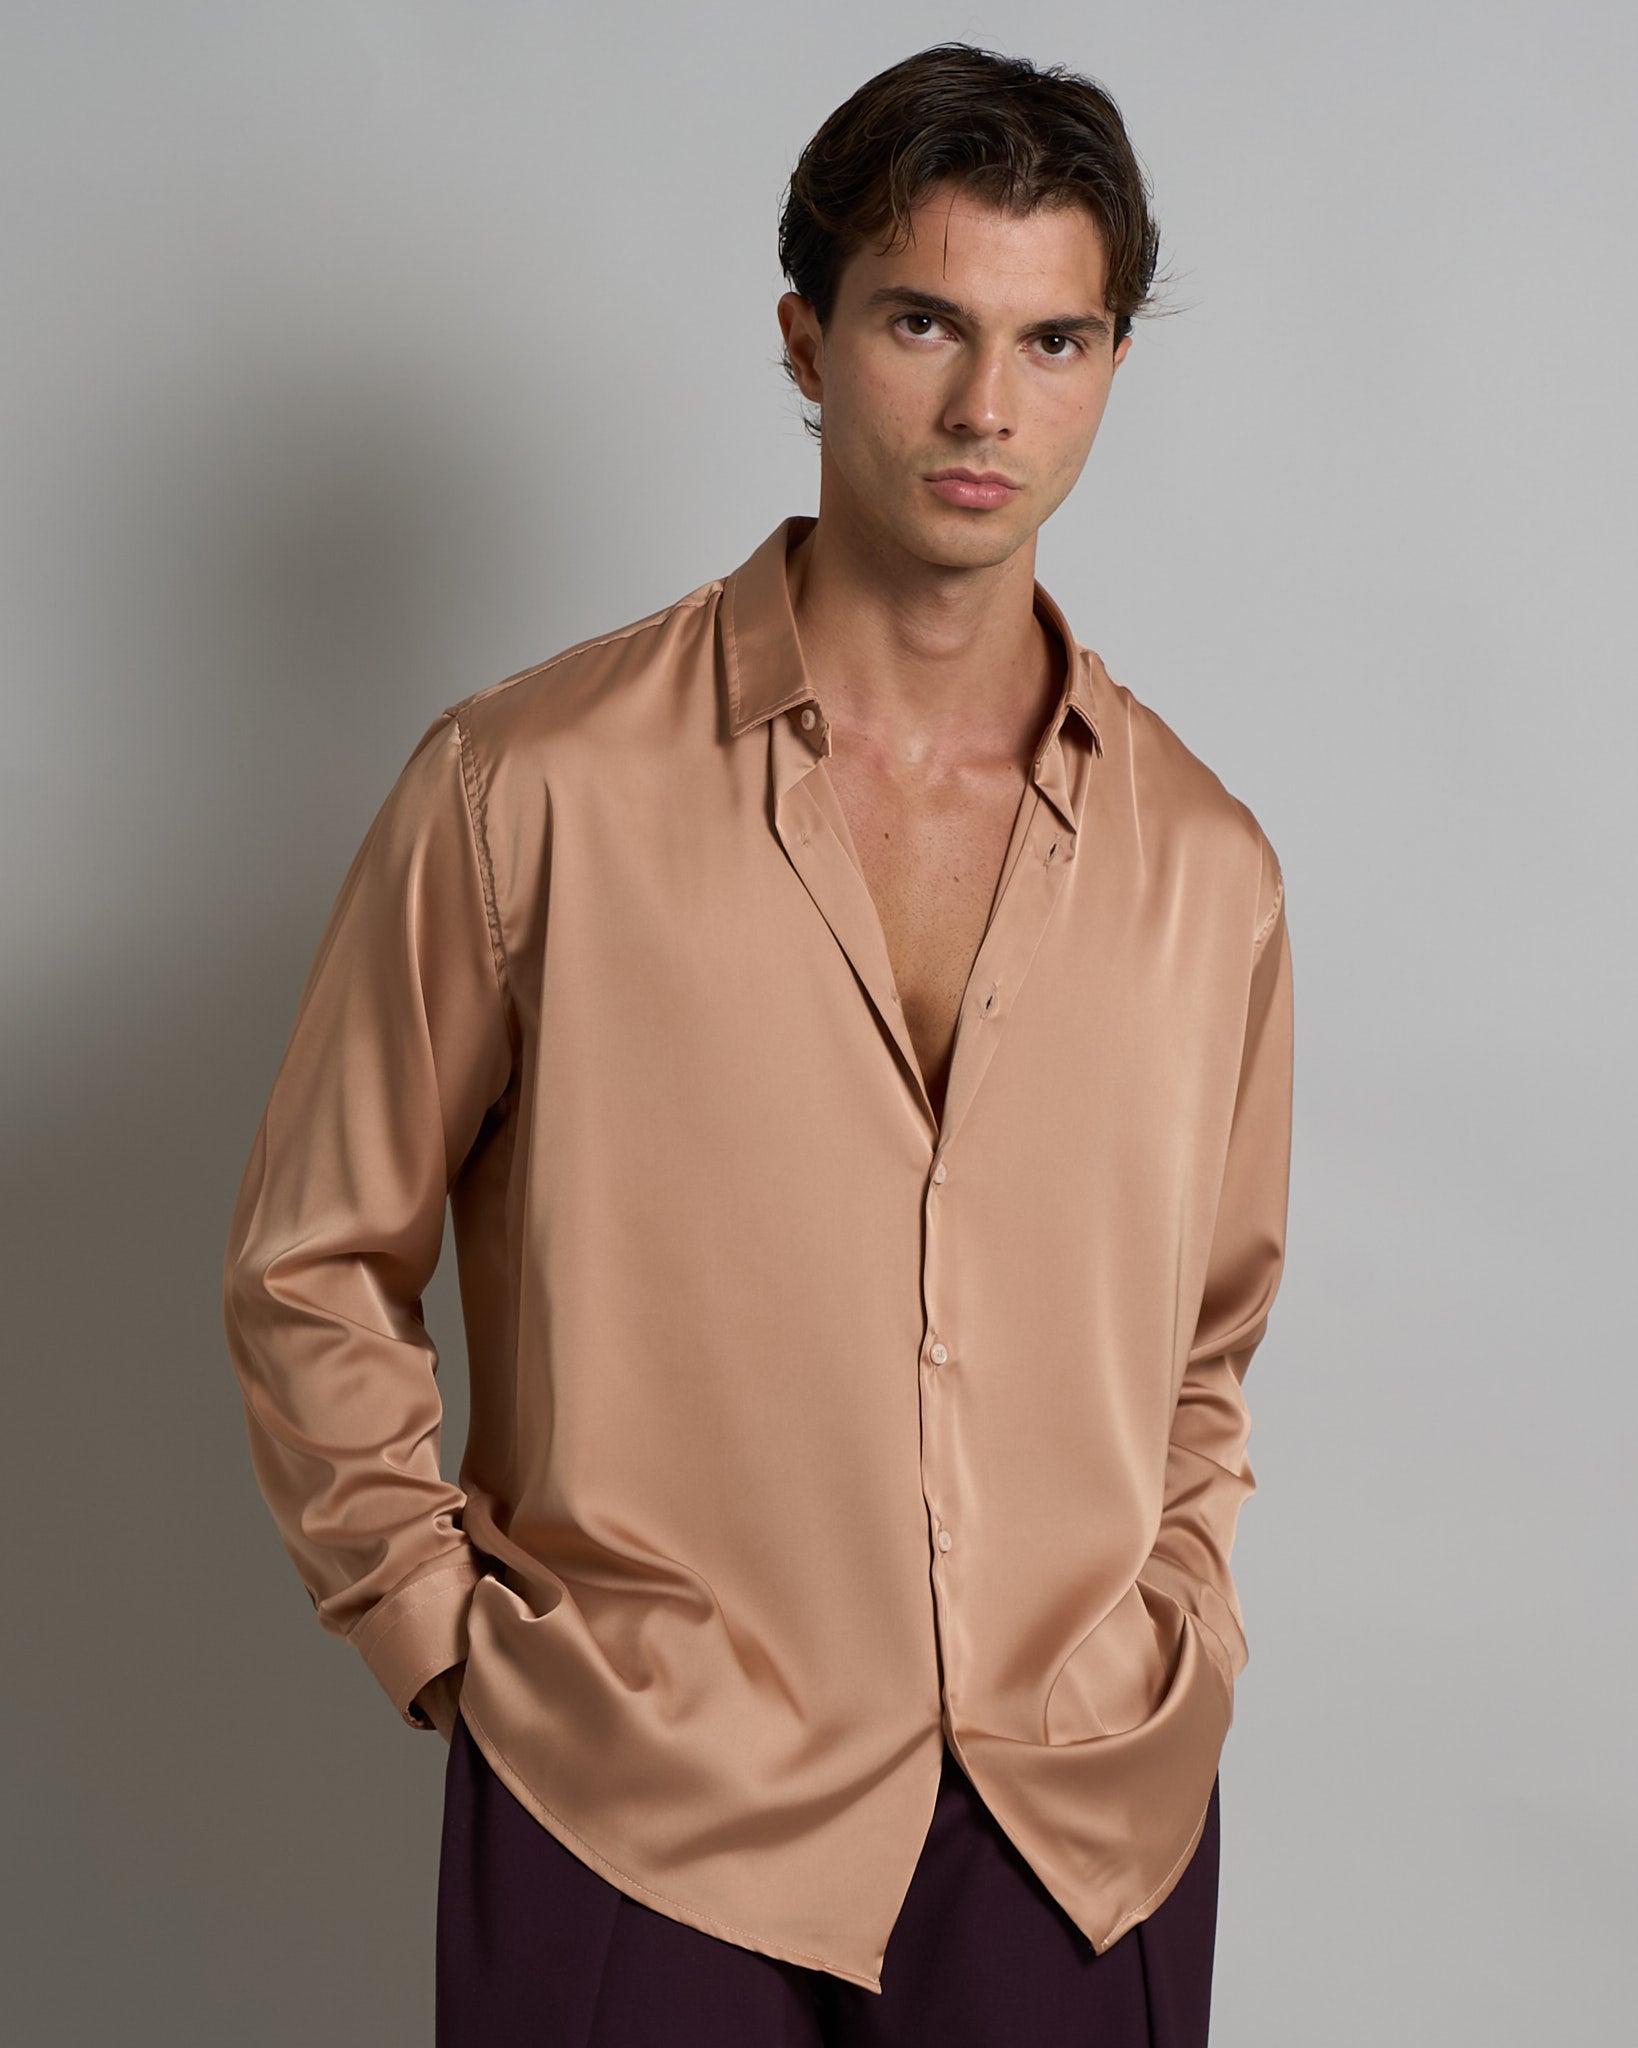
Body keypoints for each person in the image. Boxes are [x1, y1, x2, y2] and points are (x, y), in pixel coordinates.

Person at [222, 38, 1293, 2048]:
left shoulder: (1205, 866)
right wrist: (440, 1634)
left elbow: (1207, 1344)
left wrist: (1180, 1624)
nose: (986, 409)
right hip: (639, 1808)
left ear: (1110, 367)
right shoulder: (528, 789)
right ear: (805, 340)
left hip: (1075, 1832)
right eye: (923, 323)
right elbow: (313, 1258)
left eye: (1055, 340)